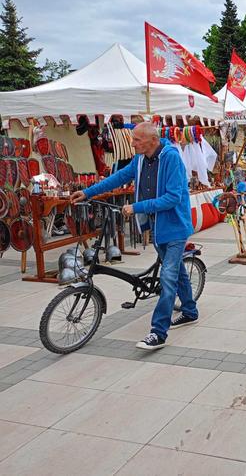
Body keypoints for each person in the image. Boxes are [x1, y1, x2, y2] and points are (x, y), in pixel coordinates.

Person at [70, 122, 197, 350]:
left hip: (175, 227)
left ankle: (158, 332)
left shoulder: (171, 158)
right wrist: (88, 192)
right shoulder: (139, 159)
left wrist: (137, 207)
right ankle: (190, 310)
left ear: (152, 140)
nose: (132, 142)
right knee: (176, 271)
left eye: (137, 139)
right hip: (156, 227)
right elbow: (118, 178)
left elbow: (174, 197)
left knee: (168, 279)